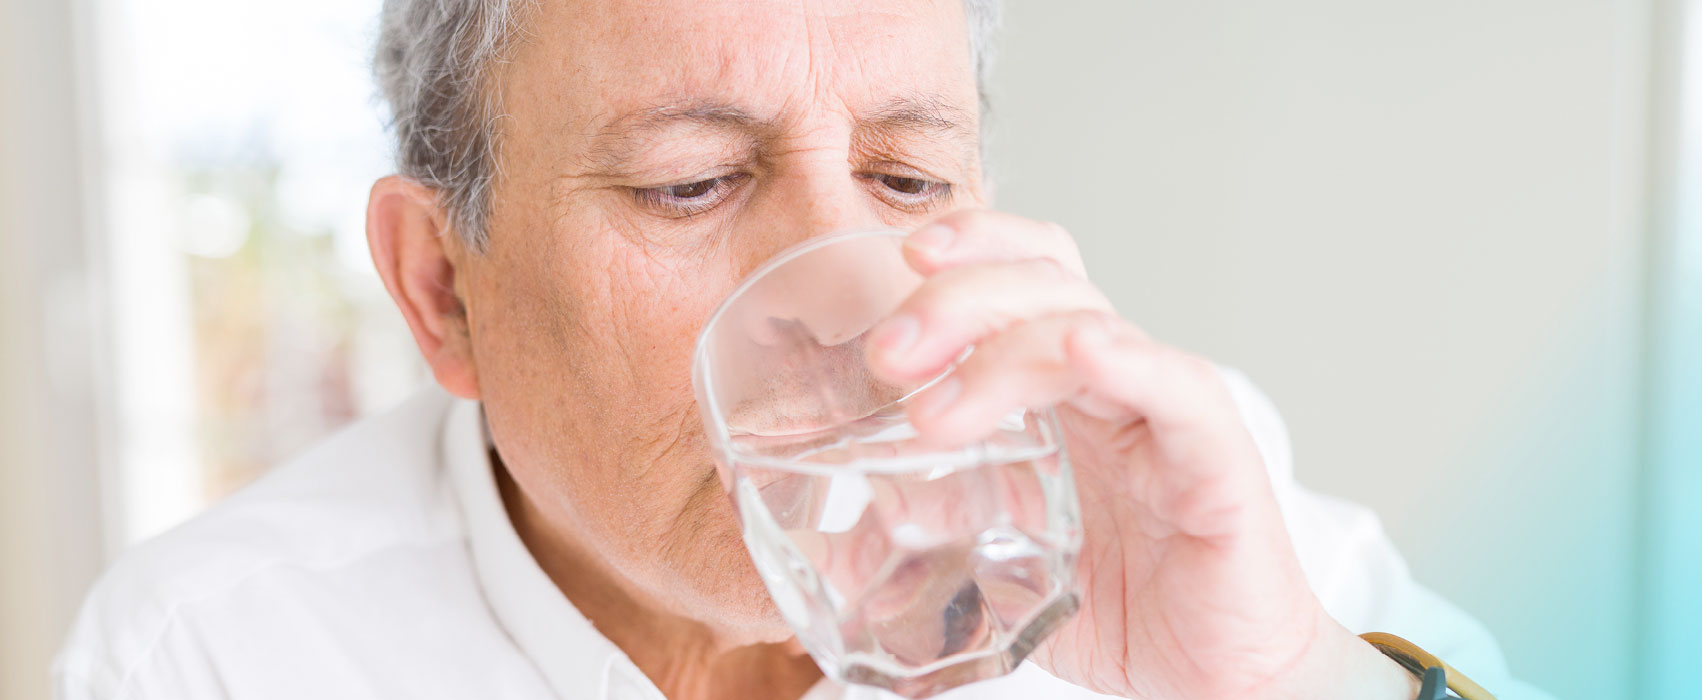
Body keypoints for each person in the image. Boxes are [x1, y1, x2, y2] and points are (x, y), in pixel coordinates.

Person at [56, 1, 1552, 699]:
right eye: (689, 185)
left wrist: (1287, 679)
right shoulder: (217, 655)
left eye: (907, 181)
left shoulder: (1159, 510)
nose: (852, 308)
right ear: (445, 288)